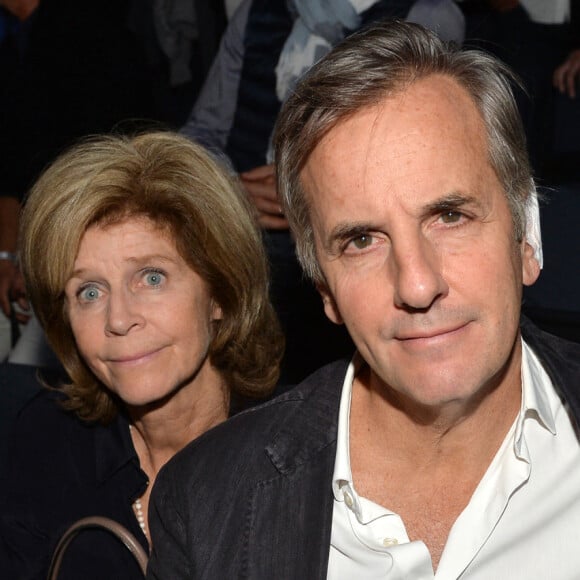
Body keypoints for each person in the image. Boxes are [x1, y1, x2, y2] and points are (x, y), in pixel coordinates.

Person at [147, 21, 580, 579]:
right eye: (361, 240)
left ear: (525, 236)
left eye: (450, 216)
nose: (417, 285)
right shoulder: (206, 503)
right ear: (325, 289)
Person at [0, 131, 283, 579]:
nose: (118, 318)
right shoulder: (48, 440)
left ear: (220, 294)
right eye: (89, 291)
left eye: (151, 278)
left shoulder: (297, 453)